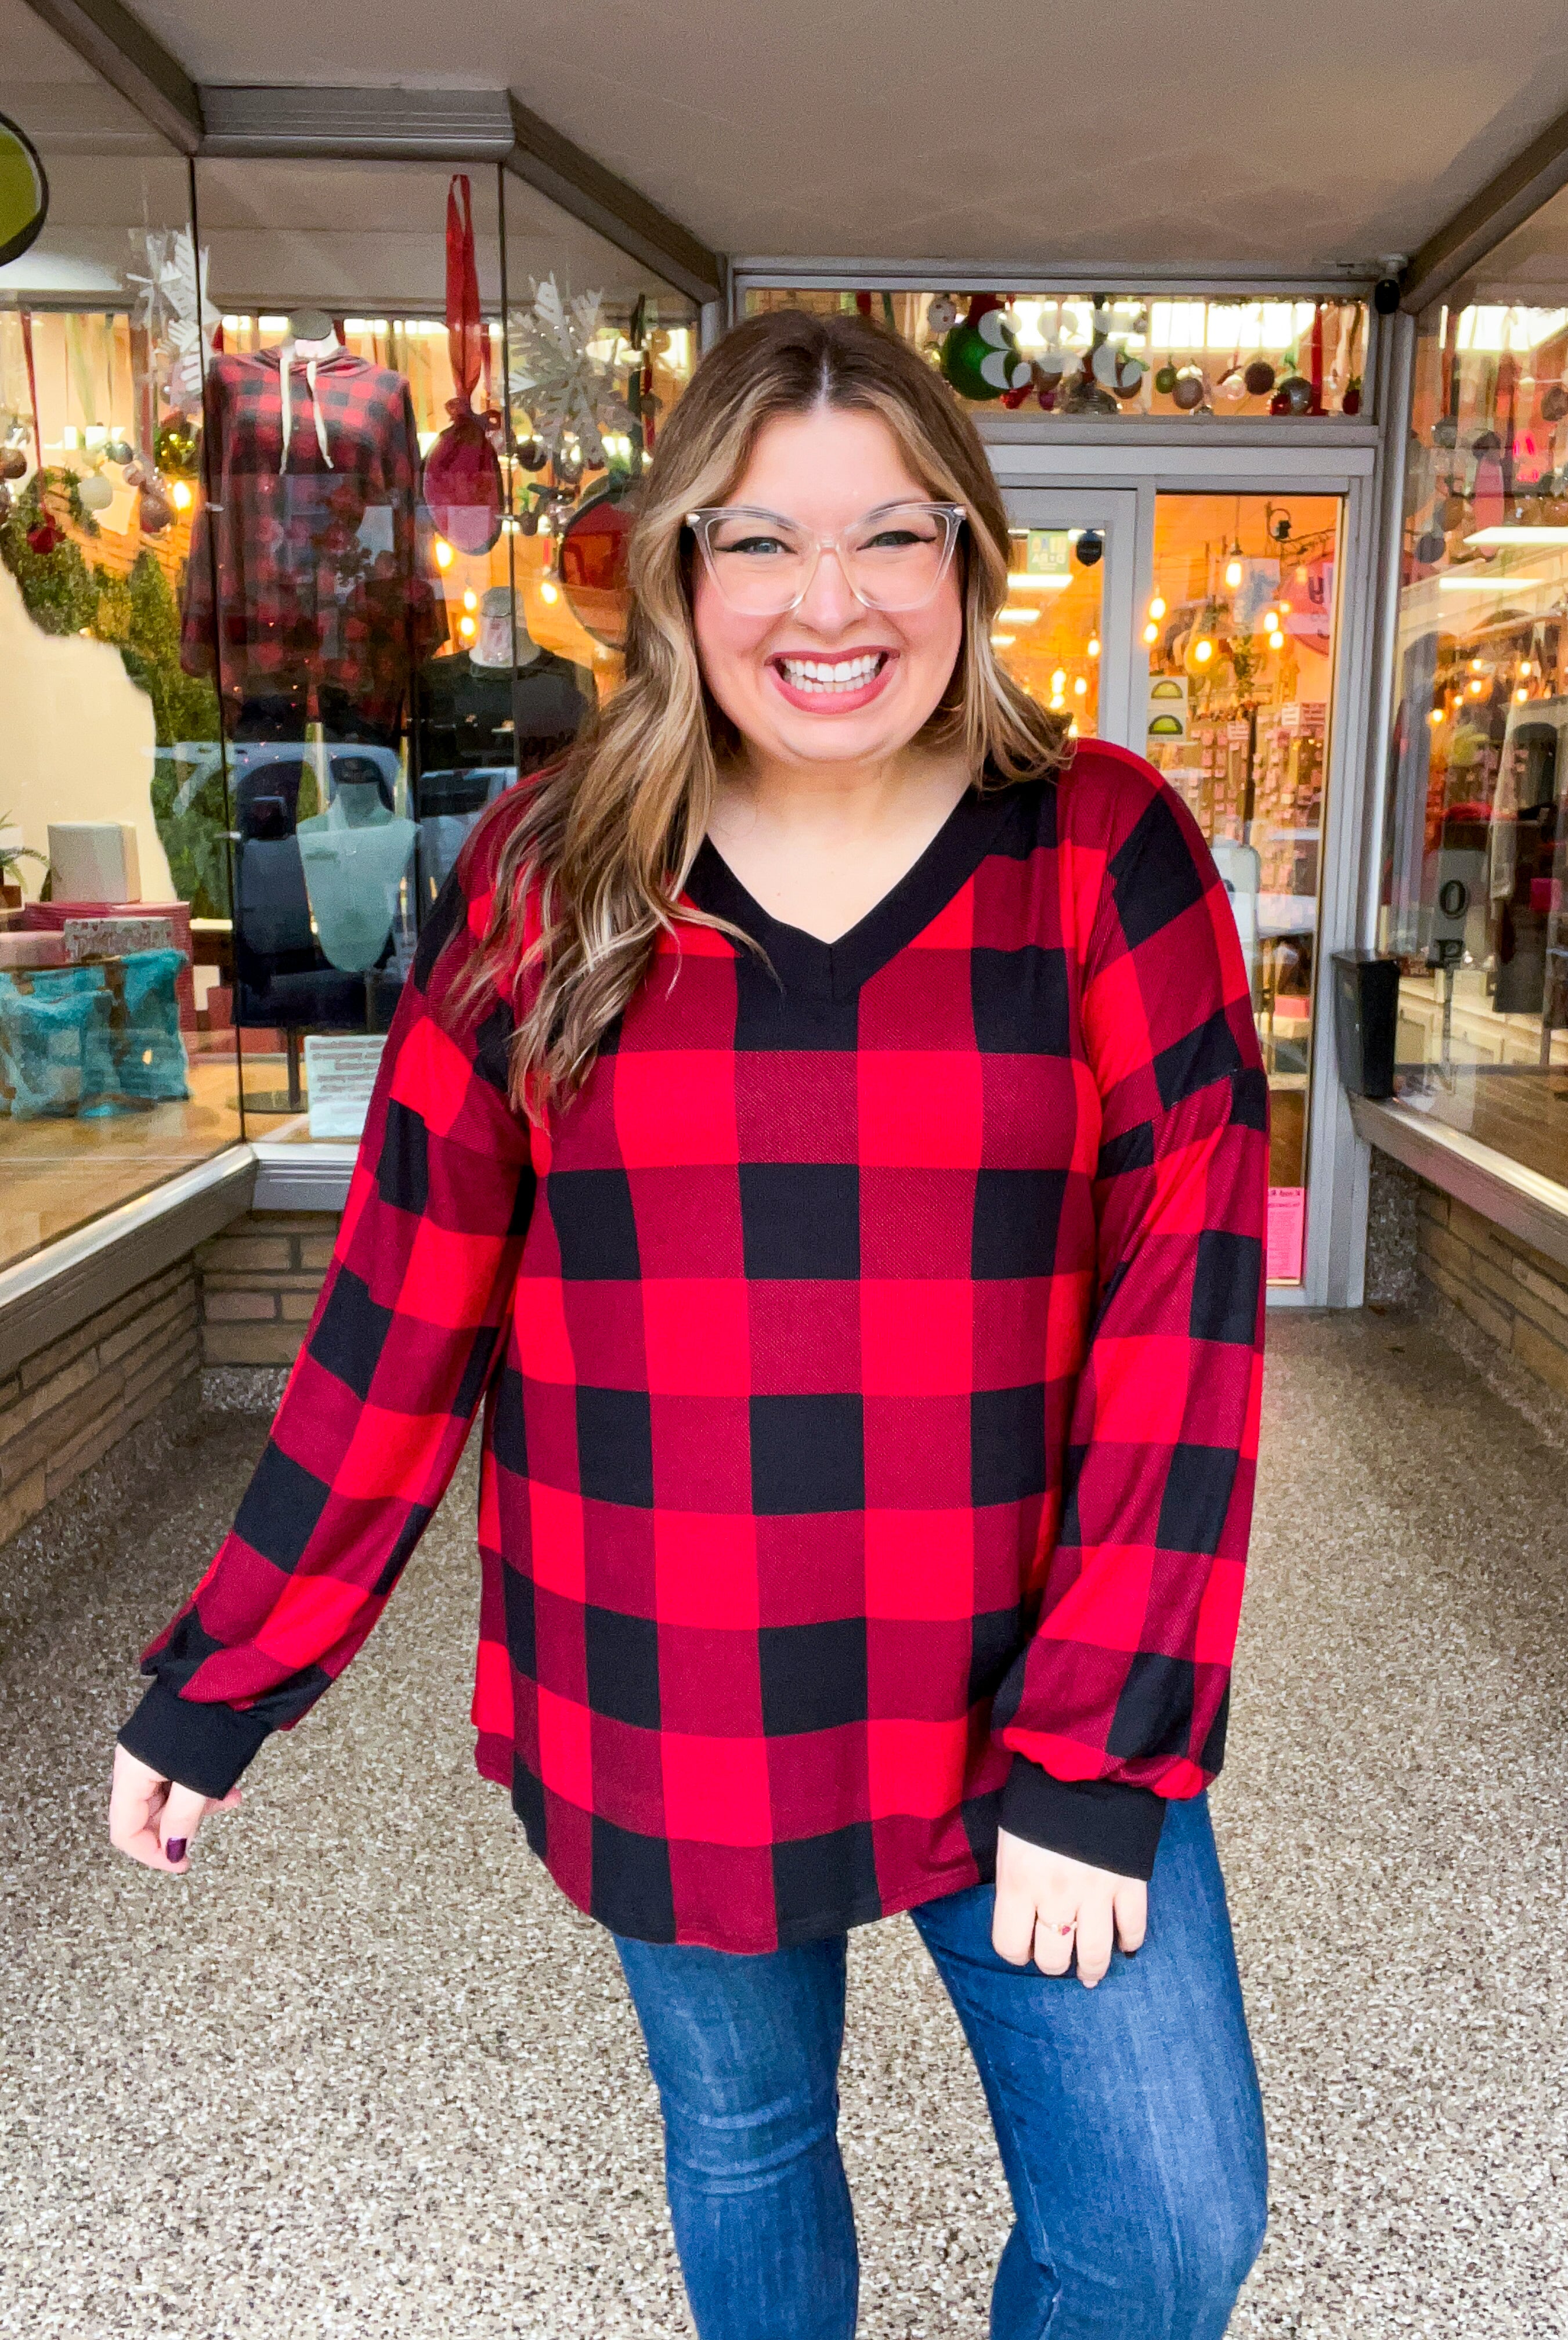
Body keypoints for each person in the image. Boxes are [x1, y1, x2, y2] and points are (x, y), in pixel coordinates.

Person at [109, 308, 1270, 2340]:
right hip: (677, 1677)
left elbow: (1189, 1310)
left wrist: (1098, 1753)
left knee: (1165, 2223)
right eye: (761, 541)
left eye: (890, 536)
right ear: (680, 572)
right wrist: (227, 1676)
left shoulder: (1100, 849)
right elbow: (404, 1304)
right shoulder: (555, 873)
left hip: (1023, 1683)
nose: (831, 605)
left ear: (969, 557)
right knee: (747, 2141)